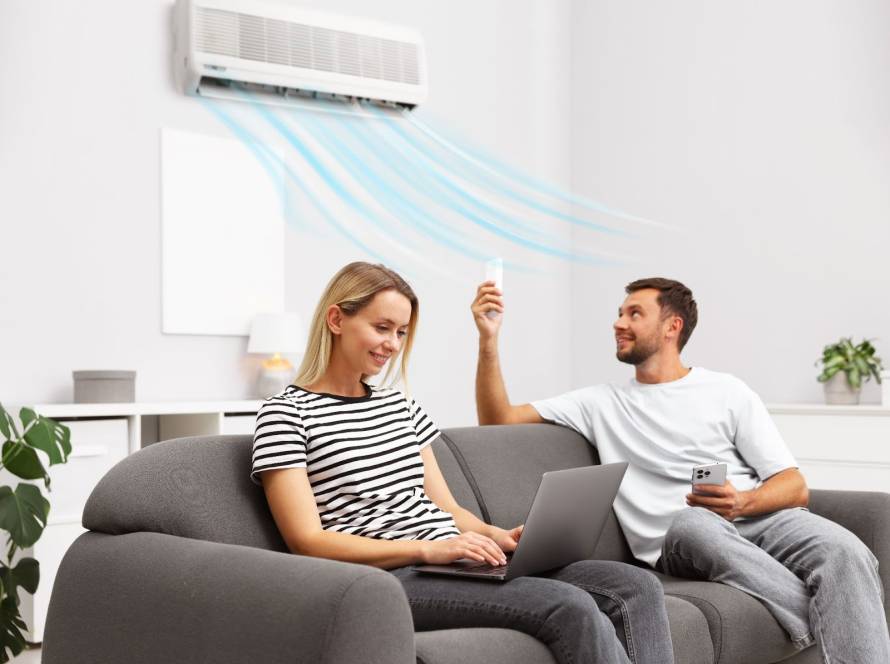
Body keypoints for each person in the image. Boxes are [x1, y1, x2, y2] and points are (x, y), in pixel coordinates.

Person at [251, 262, 674, 664]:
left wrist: (497, 537)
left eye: (400, 332)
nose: (392, 344)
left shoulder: (400, 406)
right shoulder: (287, 414)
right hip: (394, 577)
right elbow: (307, 541)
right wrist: (430, 550)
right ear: (336, 319)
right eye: (382, 328)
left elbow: (448, 509)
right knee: (569, 605)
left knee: (635, 585)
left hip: (454, 562)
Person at [471, 276, 890, 662]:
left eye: (634, 313)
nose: (619, 323)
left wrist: (742, 502)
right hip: (684, 540)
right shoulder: (599, 403)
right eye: (620, 313)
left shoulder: (727, 391)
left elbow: (793, 485)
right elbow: (498, 418)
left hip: (761, 520)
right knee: (695, 523)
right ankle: (826, 621)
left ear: (672, 326)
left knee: (845, 550)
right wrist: (489, 339)